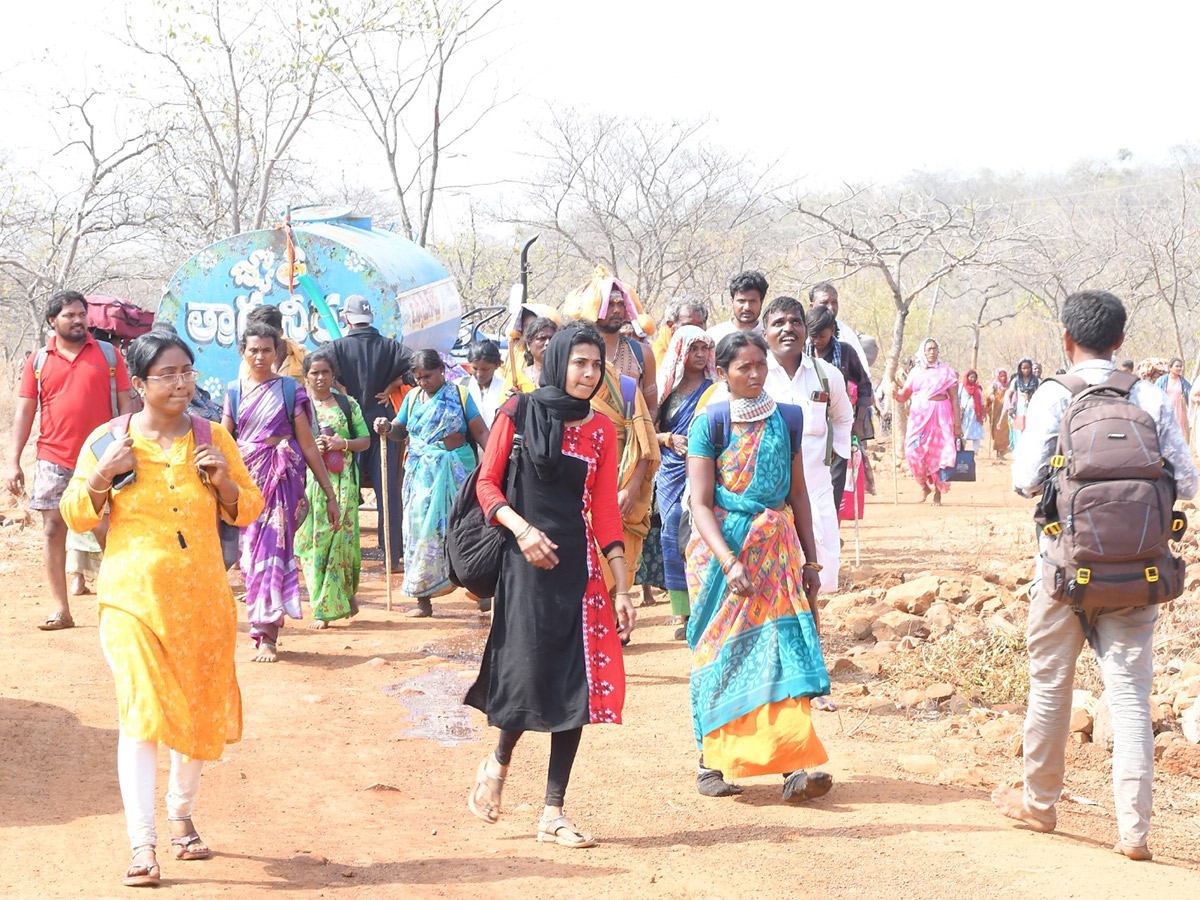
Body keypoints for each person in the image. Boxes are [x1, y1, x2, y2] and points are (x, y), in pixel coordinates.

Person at [994, 289, 1198, 861]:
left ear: (1066, 340)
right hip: (1138, 576)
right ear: (1121, 340)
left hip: (1062, 570)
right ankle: (1134, 833)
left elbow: (1026, 481)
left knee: (1051, 686)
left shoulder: (1053, 395)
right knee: (1131, 697)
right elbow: (1187, 482)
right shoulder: (1152, 396)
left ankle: (1039, 803)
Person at [59, 330, 264, 888]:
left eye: (186, 372)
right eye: (167, 374)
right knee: (141, 713)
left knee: (195, 710)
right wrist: (104, 473)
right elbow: (75, 514)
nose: (180, 383)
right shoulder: (108, 440)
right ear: (140, 384)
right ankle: (142, 844)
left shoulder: (213, 437)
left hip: (202, 600)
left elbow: (249, 509)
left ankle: (180, 813)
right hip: (132, 601)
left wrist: (222, 483)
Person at [465, 325, 635, 848]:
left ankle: (552, 812)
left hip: (579, 570)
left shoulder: (603, 429)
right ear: (558, 361)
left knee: (573, 685)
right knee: (526, 674)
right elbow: (486, 484)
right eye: (579, 363)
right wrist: (522, 530)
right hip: (523, 565)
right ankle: (498, 759)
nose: (588, 373)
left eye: (595, 365)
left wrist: (621, 585)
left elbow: (605, 509)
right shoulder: (518, 411)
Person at [685, 331, 831, 800]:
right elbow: (700, 503)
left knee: (782, 649)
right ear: (721, 373)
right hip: (722, 560)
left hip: (778, 553)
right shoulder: (710, 424)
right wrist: (729, 563)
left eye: (759, 365)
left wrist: (812, 558)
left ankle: (794, 764)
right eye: (742, 367)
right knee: (722, 655)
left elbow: (799, 493)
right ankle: (712, 763)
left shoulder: (788, 418)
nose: (753, 374)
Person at [7, 290, 135, 631]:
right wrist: (13, 461)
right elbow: (24, 412)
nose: (78, 320)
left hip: (102, 458)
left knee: (109, 530)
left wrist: (128, 448)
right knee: (52, 530)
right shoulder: (38, 360)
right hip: (53, 457)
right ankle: (61, 609)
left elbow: (127, 404)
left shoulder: (108, 355)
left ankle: (125, 605)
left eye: (82, 314)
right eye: (69, 315)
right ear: (53, 321)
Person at [223, 323, 339, 662]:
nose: (260, 356)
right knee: (248, 560)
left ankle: (267, 634)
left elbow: (307, 444)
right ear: (243, 352)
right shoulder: (234, 391)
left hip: (280, 485)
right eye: (253, 350)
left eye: (267, 350)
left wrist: (329, 495)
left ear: (278, 353)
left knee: (271, 554)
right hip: (245, 486)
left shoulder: (290, 390)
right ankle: (260, 625)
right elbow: (225, 442)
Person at [374, 350, 489, 618]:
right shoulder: (412, 398)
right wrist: (387, 427)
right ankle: (422, 600)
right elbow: (400, 430)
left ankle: (482, 592)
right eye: (417, 377)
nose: (422, 381)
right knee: (420, 532)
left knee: (464, 528)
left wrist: (497, 460)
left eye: (427, 376)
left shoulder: (460, 396)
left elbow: (480, 430)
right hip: (421, 476)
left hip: (456, 470)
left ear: (441, 371)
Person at [326, 294, 410, 570]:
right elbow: (418, 367)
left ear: (347, 319)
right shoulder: (391, 347)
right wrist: (393, 386)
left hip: (349, 430)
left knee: (344, 491)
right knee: (388, 491)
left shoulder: (335, 348)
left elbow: (316, 369)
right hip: (383, 426)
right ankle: (391, 555)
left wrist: (340, 389)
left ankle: (343, 555)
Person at [296, 351, 370, 629]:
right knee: (311, 544)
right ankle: (324, 601)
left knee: (340, 540)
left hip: (342, 484)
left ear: (333, 375)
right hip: (309, 484)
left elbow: (365, 440)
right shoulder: (299, 407)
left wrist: (343, 445)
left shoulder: (347, 404)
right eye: (314, 373)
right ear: (306, 376)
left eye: (325, 372)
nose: (320, 377)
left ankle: (338, 599)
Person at [654, 325, 716, 639]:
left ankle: (704, 605)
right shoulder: (664, 391)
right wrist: (666, 438)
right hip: (670, 469)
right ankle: (682, 611)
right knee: (671, 531)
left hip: (703, 467)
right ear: (681, 352)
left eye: (705, 348)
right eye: (694, 348)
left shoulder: (714, 389)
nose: (701, 354)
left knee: (699, 533)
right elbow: (645, 431)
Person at [807, 304, 872, 510]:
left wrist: (859, 422)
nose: (816, 342)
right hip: (809, 425)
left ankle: (831, 529)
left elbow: (864, 386)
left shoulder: (845, 353)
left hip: (837, 424)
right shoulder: (801, 352)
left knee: (835, 481)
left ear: (833, 331)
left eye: (822, 336)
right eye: (812, 336)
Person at [893, 338, 962, 505]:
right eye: (929, 349)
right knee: (912, 451)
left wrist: (957, 424)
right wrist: (895, 394)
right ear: (923, 352)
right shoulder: (915, 373)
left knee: (940, 455)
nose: (932, 352)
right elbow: (904, 395)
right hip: (919, 418)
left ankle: (938, 492)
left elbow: (954, 400)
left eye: (935, 349)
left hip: (941, 416)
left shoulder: (946, 373)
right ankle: (924, 486)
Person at [593, 282, 659, 419]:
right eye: (609, 304)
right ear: (594, 307)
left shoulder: (643, 353)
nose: (616, 310)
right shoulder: (577, 353)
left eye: (620, 304)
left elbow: (651, 410)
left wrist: (635, 435)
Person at [808, 282, 870, 374]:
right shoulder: (802, 331)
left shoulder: (846, 334)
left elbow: (863, 371)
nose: (831, 307)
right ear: (812, 306)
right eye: (824, 303)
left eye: (834, 303)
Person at [239, 304, 306, 378]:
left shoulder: (304, 359)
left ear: (281, 332)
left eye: (267, 336)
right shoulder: (247, 365)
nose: (262, 343)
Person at [707, 270, 767, 345]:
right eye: (741, 301)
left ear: (761, 302)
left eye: (752, 301)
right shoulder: (715, 336)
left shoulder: (770, 337)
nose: (747, 307)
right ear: (732, 302)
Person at [503, 317, 558, 395]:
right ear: (528, 345)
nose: (547, 343)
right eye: (542, 338)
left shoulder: (564, 378)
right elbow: (504, 406)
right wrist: (516, 400)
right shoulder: (515, 379)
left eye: (552, 339)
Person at [652, 295, 710, 366]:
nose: (695, 332)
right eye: (688, 326)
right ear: (671, 325)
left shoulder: (711, 350)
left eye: (699, 325)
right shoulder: (658, 355)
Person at [464, 339, 505, 428]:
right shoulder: (460, 387)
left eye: (485, 369)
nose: (479, 374)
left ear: (497, 365)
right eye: (474, 368)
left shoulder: (505, 389)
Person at [1155, 358, 1191, 444]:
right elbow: (1155, 393)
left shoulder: (1183, 381)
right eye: (1177, 366)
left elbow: (1190, 393)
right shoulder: (1162, 380)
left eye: (1180, 366)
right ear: (1170, 367)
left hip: (1178, 411)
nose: (1179, 368)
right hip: (1166, 410)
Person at [1007, 358, 1040, 451]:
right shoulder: (1016, 381)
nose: (1026, 370)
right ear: (1020, 369)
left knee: (1031, 433)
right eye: (1023, 368)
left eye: (1028, 368)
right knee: (1018, 434)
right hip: (1019, 411)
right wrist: (1010, 407)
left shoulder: (1036, 381)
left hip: (1032, 410)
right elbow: (1009, 395)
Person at [958, 369, 986, 453]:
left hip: (976, 414)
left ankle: (975, 451)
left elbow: (981, 401)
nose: (973, 379)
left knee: (976, 433)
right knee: (963, 432)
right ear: (967, 377)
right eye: (971, 377)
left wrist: (983, 413)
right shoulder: (962, 387)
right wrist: (959, 407)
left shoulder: (978, 388)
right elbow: (957, 398)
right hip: (965, 413)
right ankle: (961, 450)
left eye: (974, 377)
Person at [986, 368, 1011, 459]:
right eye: (1001, 376)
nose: (1003, 378)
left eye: (1004, 376)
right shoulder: (995, 385)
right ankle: (998, 451)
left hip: (1005, 411)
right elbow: (989, 394)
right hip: (996, 411)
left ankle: (1002, 452)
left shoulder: (1008, 386)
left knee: (1005, 431)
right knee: (997, 431)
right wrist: (991, 396)